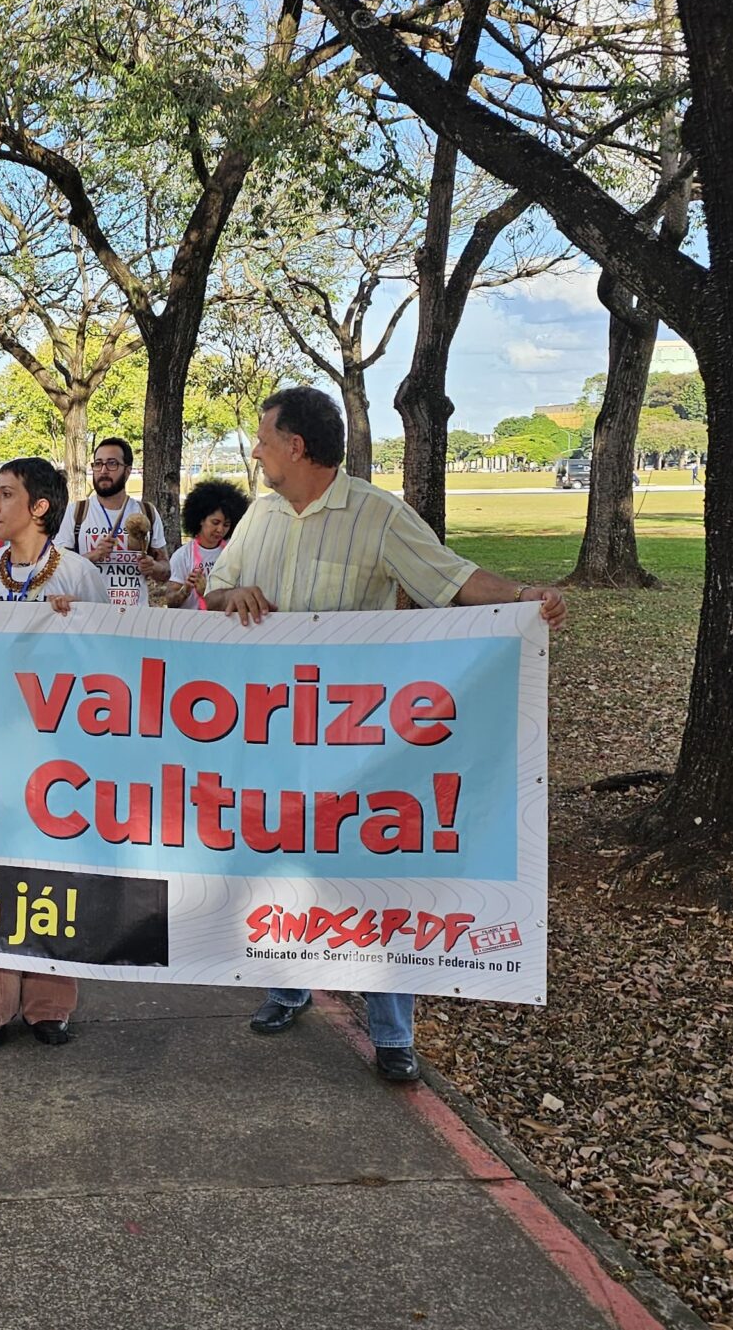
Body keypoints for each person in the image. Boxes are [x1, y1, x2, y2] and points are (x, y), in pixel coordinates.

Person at [205, 386, 565, 1083]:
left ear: (296, 447)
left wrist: (525, 599)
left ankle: (393, 1032)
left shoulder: (378, 515)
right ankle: (287, 987)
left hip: (358, 741)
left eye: (264, 439)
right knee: (279, 858)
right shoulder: (260, 517)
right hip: (272, 733)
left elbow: (452, 580)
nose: (257, 451)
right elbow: (217, 588)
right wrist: (229, 596)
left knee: (371, 873)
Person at [0, 456, 113, 1050]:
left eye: (4, 495)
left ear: (39, 507)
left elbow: (111, 657)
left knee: (54, 870)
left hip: (61, 746)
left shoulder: (77, 575)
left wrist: (78, 627)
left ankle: (50, 1002)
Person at [69, 437, 168, 608]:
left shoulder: (147, 512)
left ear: (128, 471)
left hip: (134, 617)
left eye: (112, 463)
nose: (103, 470)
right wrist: (94, 555)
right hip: (90, 614)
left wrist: (153, 566)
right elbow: (60, 570)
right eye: (98, 464)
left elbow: (166, 571)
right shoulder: (76, 512)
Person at [162, 477, 248, 609]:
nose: (220, 529)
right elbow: (170, 602)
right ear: (201, 520)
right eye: (215, 522)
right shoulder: (182, 556)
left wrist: (207, 592)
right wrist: (185, 590)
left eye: (226, 525)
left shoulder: (234, 553)